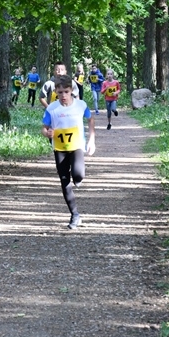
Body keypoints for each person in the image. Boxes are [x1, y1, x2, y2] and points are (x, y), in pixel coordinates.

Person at [41, 74, 96, 230]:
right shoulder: (52, 109)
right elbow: (44, 127)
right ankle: (75, 214)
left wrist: (92, 140)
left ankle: (78, 179)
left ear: (71, 91)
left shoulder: (80, 105)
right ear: (56, 92)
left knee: (78, 174)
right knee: (64, 181)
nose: (63, 96)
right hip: (59, 148)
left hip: (77, 145)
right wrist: (47, 133)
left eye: (66, 92)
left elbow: (91, 119)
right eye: (60, 93)